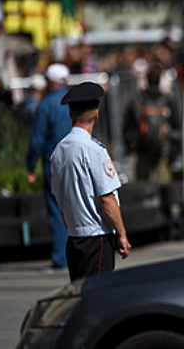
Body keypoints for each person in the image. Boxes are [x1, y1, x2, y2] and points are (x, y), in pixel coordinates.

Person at [51, 81, 131, 281]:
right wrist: (121, 234)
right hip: (96, 239)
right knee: (96, 298)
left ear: (71, 114)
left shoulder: (59, 151)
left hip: (75, 239)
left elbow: (59, 198)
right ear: (96, 113)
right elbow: (107, 199)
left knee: (80, 296)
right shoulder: (94, 150)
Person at [26, 63, 71, 270]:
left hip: (54, 164)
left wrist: (30, 165)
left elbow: (37, 139)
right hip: (77, 162)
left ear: (51, 81)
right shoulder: (75, 102)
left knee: (57, 210)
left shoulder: (46, 104)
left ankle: (61, 258)